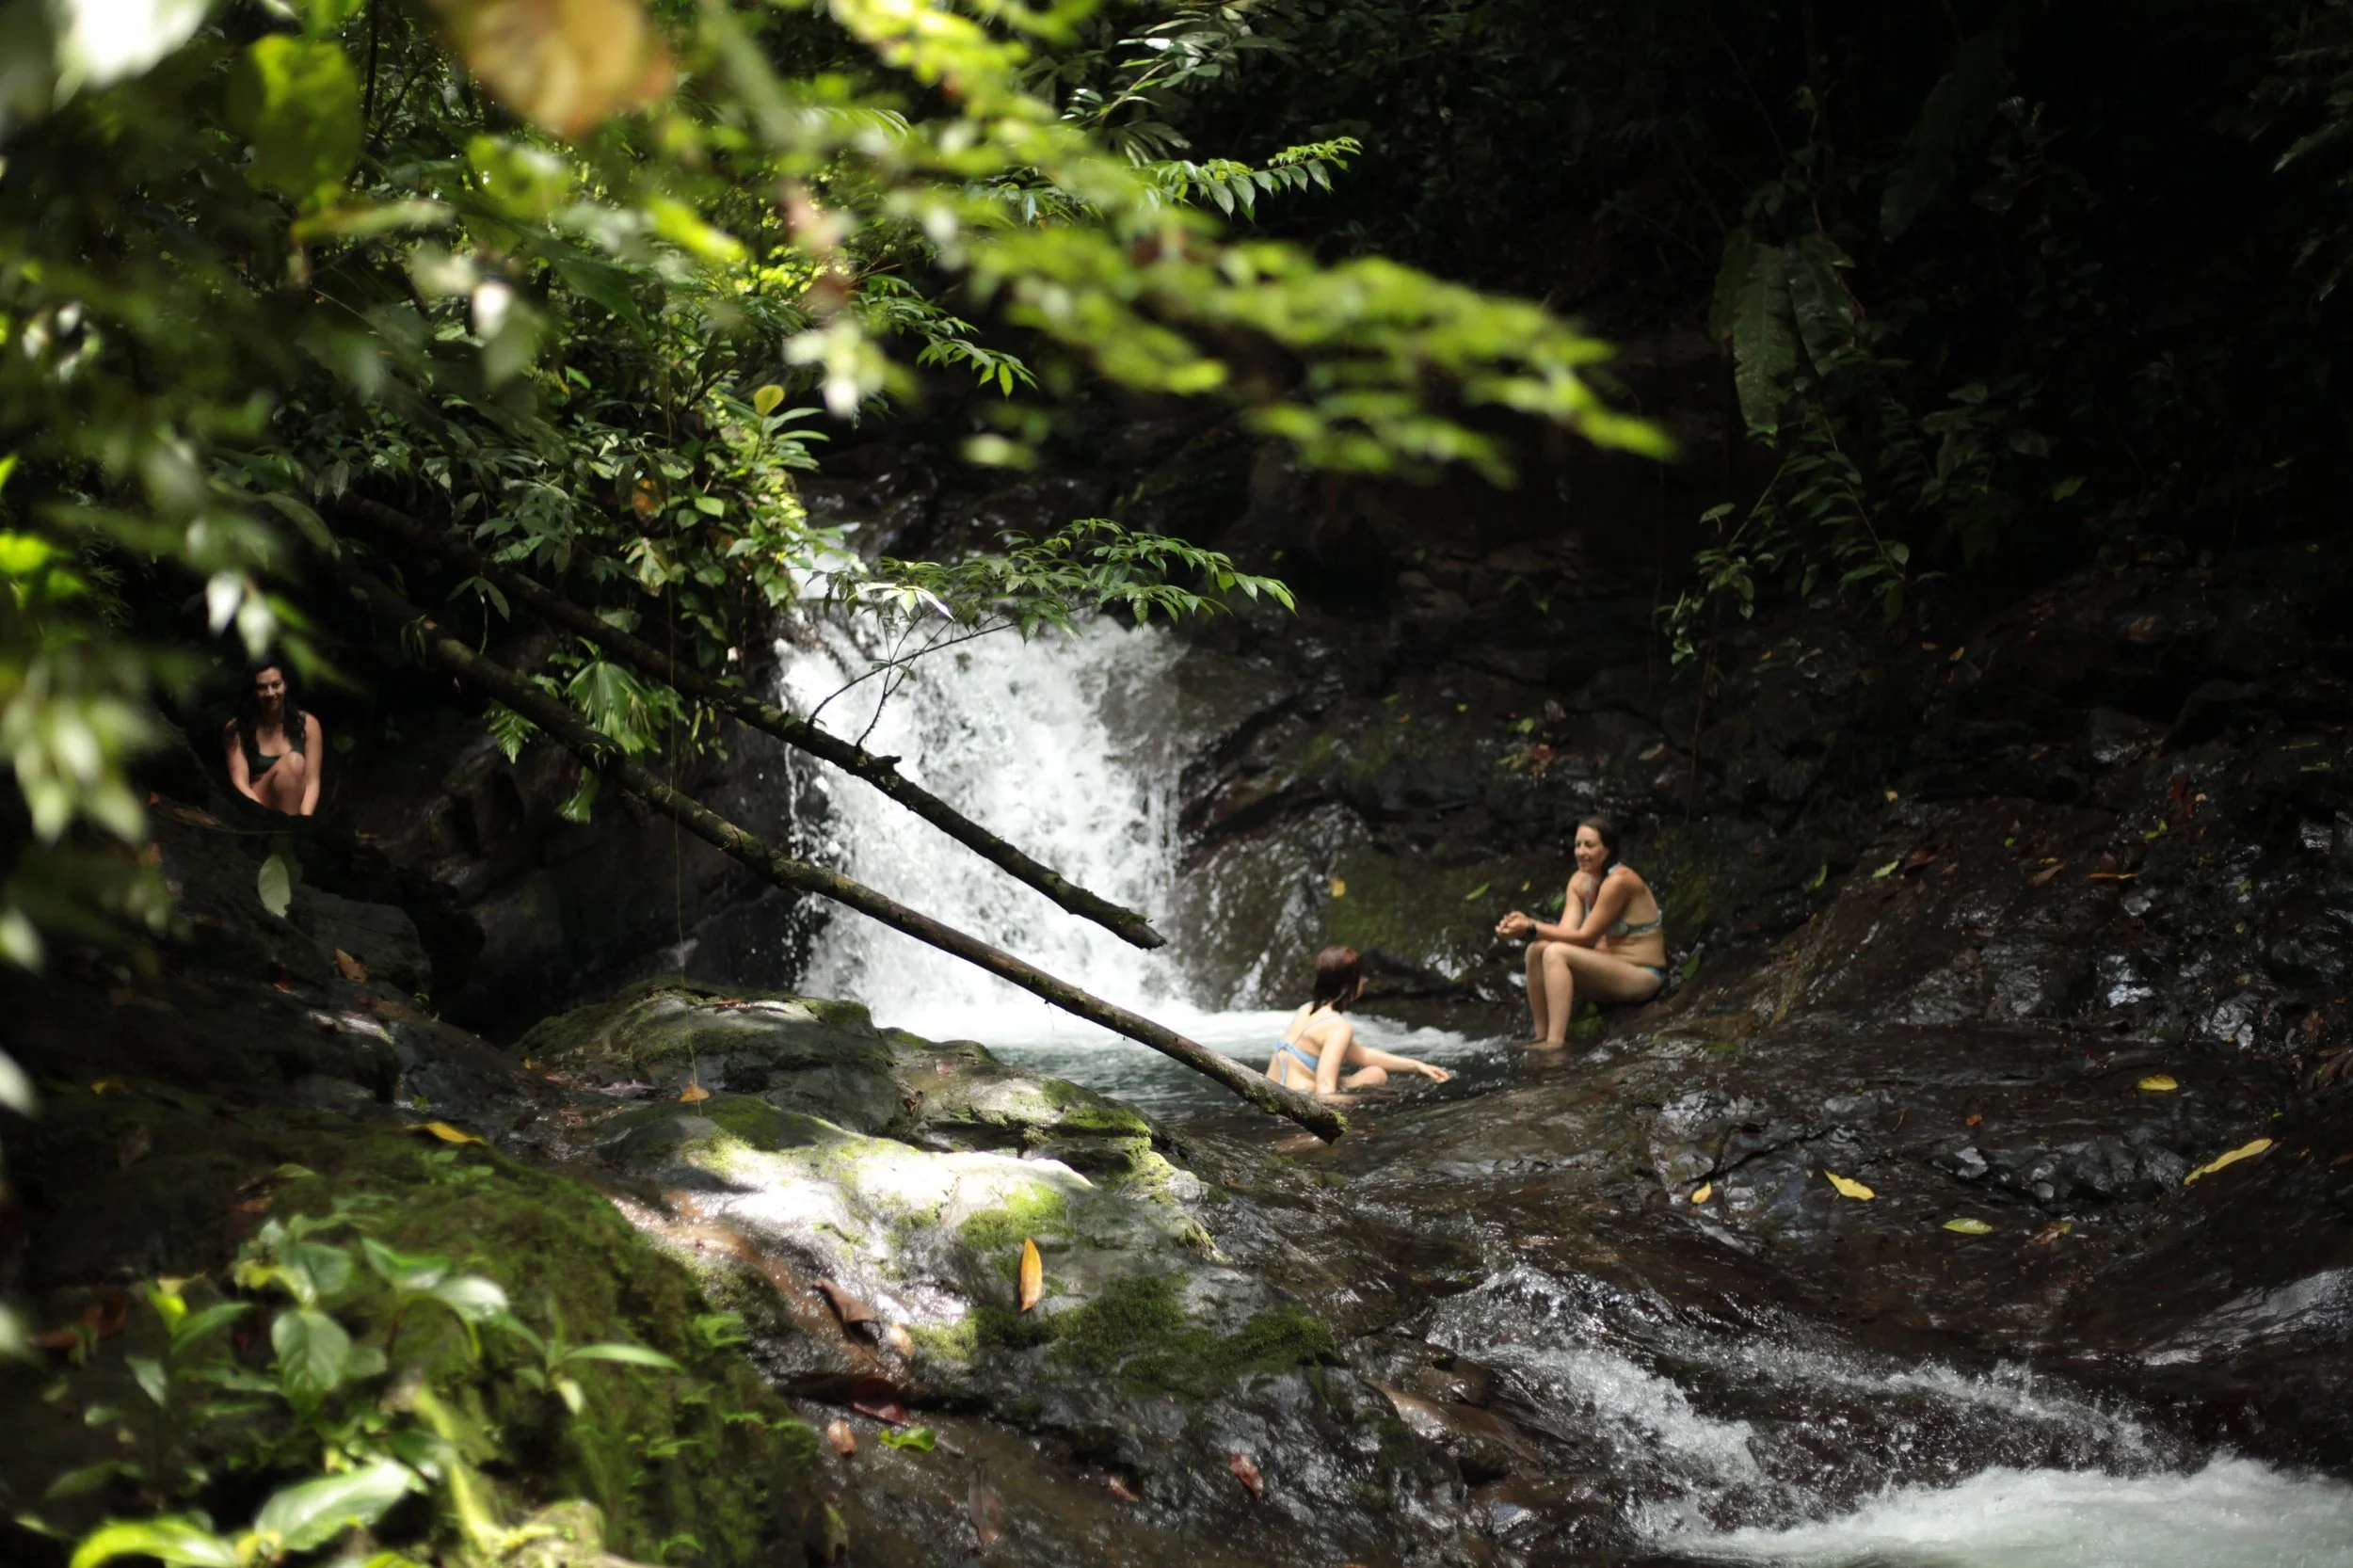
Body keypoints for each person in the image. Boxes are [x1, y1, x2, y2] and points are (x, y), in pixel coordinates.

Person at [1495, 817, 1666, 1046]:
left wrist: (1531, 926)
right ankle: (1540, 1036)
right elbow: (1565, 933)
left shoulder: (1620, 881)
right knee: (1537, 949)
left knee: (1556, 953)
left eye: (1589, 845)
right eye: (1578, 845)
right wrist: (1523, 929)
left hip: (1641, 976)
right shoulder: (1579, 881)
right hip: (1604, 971)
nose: (1581, 852)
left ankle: (1554, 1044)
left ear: (1607, 850)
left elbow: (1586, 936)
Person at [1266, 945, 1455, 1096]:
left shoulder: (1306, 1010)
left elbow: (1362, 1055)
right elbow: (1325, 1091)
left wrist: (1417, 1066)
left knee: (1375, 1074)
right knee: (1382, 1091)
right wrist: (1363, 1101)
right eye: (1361, 977)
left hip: (1274, 1094)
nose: (1364, 981)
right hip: (1300, 1102)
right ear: (1350, 984)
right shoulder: (1338, 1027)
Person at [224, 661, 323, 817]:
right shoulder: (236, 728)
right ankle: (284, 828)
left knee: (294, 763)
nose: (270, 693)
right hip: (256, 804)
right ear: (254, 691)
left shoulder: (308, 724)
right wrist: (262, 816)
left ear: (285, 685)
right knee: (293, 761)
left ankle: (291, 827)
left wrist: (305, 817)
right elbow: (239, 782)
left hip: (295, 805)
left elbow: (312, 782)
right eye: (262, 687)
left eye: (276, 685)